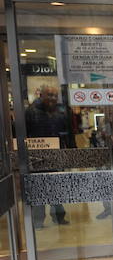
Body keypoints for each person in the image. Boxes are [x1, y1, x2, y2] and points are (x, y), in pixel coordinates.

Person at [25, 85, 69, 227]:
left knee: (56, 188)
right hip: (36, 158)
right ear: (41, 95)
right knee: (39, 188)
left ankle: (59, 217)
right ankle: (38, 221)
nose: (52, 98)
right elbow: (23, 135)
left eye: (55, 96)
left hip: (56, 157)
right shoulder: (30, 112)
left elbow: (65, 135)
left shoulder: (59, 112)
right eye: (49, 95)